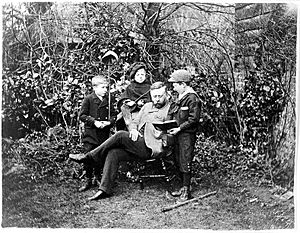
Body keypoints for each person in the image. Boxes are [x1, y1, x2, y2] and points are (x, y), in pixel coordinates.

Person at [69, 82, 171, 200]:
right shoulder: (147, 106)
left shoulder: (169, 110)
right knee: (114, 153)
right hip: (138, 142)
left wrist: (162, 135)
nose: (157, 99)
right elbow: (134, 122)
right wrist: (133, 129)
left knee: (120, 135)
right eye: (154, 96)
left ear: (166, 95)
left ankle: (89, 157)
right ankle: (104, 189)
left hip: (153, 146)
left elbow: (172, 134)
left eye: (160, 96)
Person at [167, 69, 201, 202]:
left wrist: (179, 128)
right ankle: (182, 187)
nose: (173, 86)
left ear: (183, 84)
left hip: (186, 135)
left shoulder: (192, 98)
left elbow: (193, 120)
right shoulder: (180, 96)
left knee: (185, 160)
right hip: (177, 134)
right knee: (177, 158)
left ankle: (186, 190)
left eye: (175, 84)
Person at [77, 75, 116, 192]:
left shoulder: (108, 100)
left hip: (103, 133)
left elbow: (114, 115)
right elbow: (82, 116)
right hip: (91, 133)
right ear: (95, 88)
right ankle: (87, 179)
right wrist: (94, 122)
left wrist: (108, 122)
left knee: (100, 155)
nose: (105, 90)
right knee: (88, 156)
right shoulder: (89, 99)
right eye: (103, 87)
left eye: (106, 87)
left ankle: (97, 177)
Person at [116, 62, 152, 130]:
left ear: (145, 75)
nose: (140, 76)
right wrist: (128, 102)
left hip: (146, 113)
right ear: (134, 76)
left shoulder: (149, 87)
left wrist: (143, 102)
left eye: (142, 74)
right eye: (138, 75)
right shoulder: (130, 87)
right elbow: (123, 100)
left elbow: (152, 100)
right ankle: (130, 128)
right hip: (132, 111)